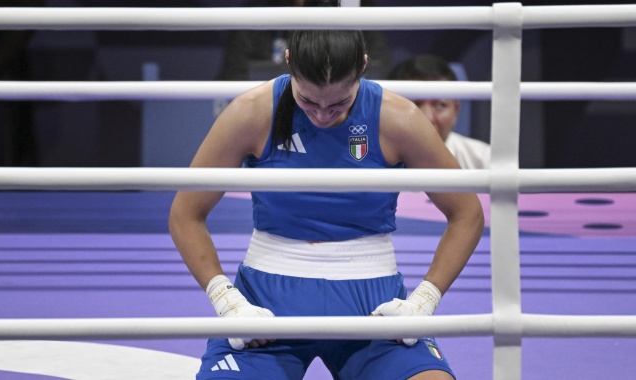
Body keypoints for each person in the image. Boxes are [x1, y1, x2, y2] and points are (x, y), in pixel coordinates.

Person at [169, 28, 484, 380]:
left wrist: (424, 301)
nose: (321, 114)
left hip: (372, 303)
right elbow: (186, 213)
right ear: (289, 62)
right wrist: (226, 300)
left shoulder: (399, 118)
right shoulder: (251, 111)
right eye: (307, 101)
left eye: (338, 103)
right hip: (267, 301)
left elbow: (467, 213)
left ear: (363, 67)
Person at [216, 0, 392, 81]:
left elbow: (378, 71)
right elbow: (233, 78)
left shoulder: (353, 8)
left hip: (343, 117)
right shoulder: (256, 13)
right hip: (269, 116)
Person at [388, 54, 491, 169]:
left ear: (455, 111)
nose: (427, 118)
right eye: (414, 104)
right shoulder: (367, 159)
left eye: (440, 105)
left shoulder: (483, 160)